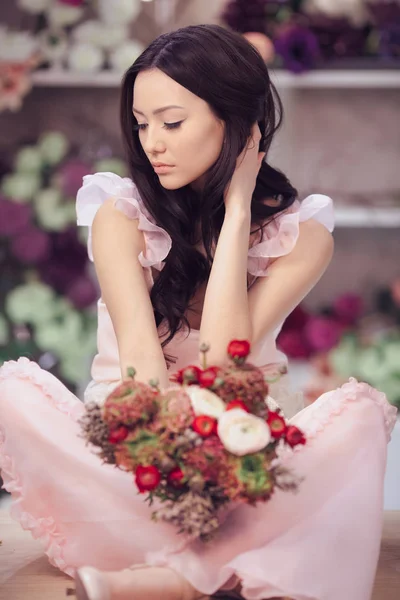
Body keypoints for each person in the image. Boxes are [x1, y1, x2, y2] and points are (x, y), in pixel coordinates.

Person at [0, 24, 396, 600]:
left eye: (172, 122)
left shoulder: (302, 234)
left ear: (237, 124)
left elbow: (221, 358)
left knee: (360, 416)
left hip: (249, 450)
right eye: (141, 125)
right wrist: (177, 471)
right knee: (10, 391)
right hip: (134, 453)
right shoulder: (120, 215)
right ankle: (232, 561)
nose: (150, 144)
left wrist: (237, 216)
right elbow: (141, 367)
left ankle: (171, 577)